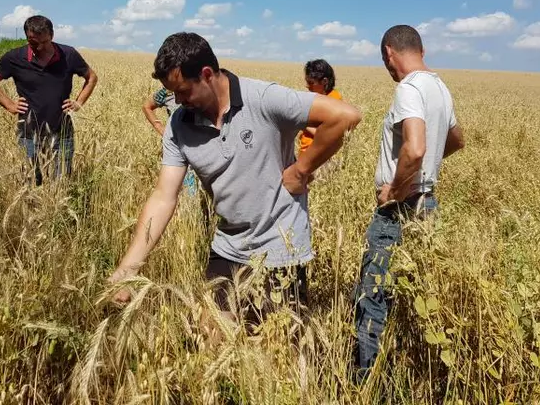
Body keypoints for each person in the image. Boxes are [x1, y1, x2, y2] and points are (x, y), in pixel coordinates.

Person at [109, 32, 362, 322]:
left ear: (206, 75)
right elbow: (163, 196)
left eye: (183, 91)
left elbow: (345, 115)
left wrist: (301, 169)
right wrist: (128, 270)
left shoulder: (263, 98)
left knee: (275, 351)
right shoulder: (179, 124)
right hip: (228, 245)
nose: (177, 100)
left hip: (280, 249)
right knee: (209, 337)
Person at [353, 25, 465, 382]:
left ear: (389, 52)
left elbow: (414, 148)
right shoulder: (439, 87)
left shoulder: (409, 88)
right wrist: (426, 166)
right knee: (413, 293)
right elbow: (457, 140)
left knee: (374, 294)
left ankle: (367, 381)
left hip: (399, 210)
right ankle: (406, 372)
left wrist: (395, 191)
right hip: (428, 207)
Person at [0, 15, 97, 186]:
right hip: (28, 133)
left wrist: (78, 103)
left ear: (51, 35)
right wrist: (9, 105)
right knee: (30, 183)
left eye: (44, 42)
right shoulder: (14, 57)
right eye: (34, 43)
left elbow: (92, 77)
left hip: (62, 131)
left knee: (61, 182)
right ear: (27, 38)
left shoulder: (69, 55)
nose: (40, 47)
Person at [142, 86, 197, 194]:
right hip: (180, 148)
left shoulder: (199, 86)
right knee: (189, 188)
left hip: (202, 145)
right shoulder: (167, 92)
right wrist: (162, 129)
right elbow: (146, 107)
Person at [299, 59, 343, 154]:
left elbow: (327, 135)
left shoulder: (333, 101)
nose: (307, 87)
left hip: (316, 159)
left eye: (311, 83)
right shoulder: (319, 98)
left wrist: (301, 123)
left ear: (324, 81)